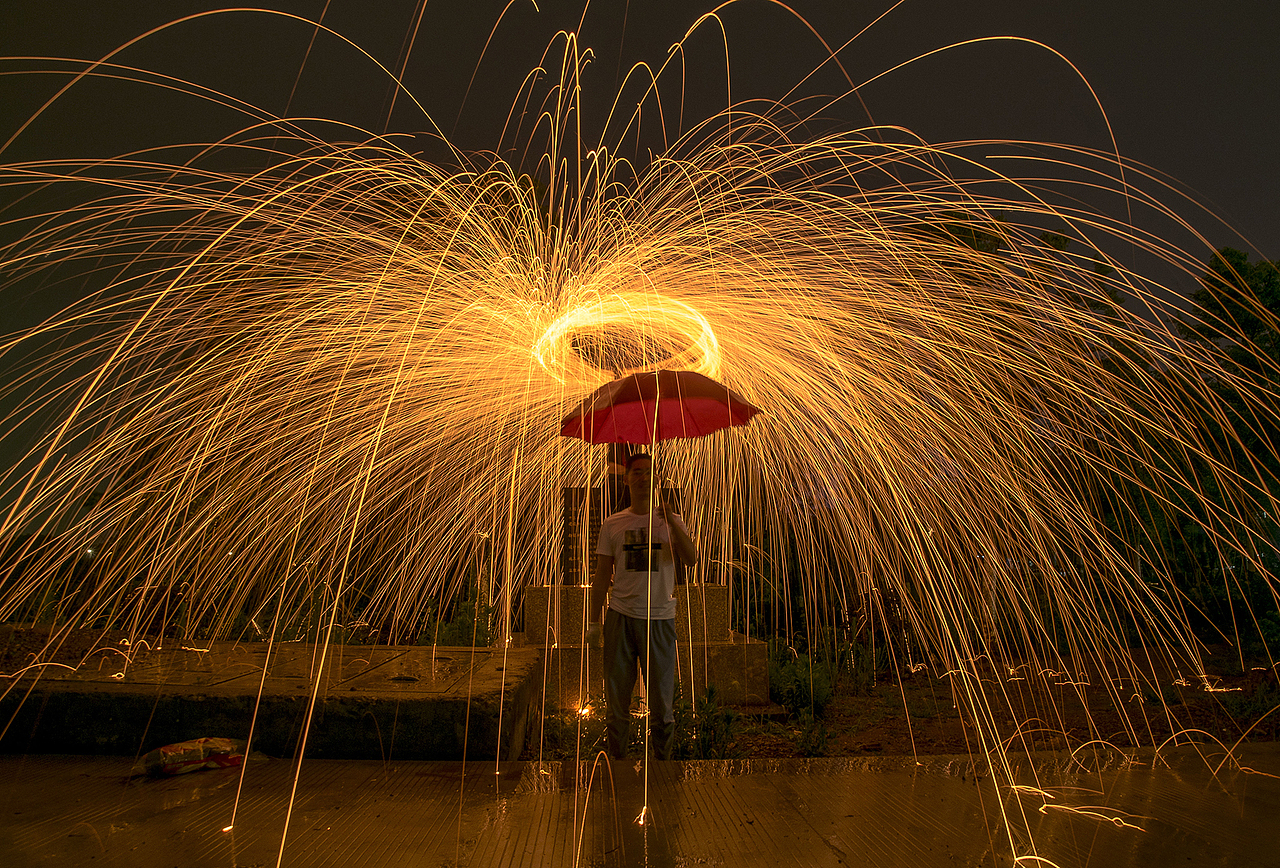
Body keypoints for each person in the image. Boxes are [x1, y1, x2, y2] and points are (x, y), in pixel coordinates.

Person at [586, 452, 697, 760]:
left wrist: (672, 524)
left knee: (662, 707)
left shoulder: (672, 521)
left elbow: (692, 559)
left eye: (649, 472)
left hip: (660, 618)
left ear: (657, 480)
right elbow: (601, 576)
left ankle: (663, 769)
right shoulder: (613, 524)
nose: (643, 477)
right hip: (620, 618)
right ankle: (618, 767)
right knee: (617, 705)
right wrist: (594, 623)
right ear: (626, 479)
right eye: (636, 472)